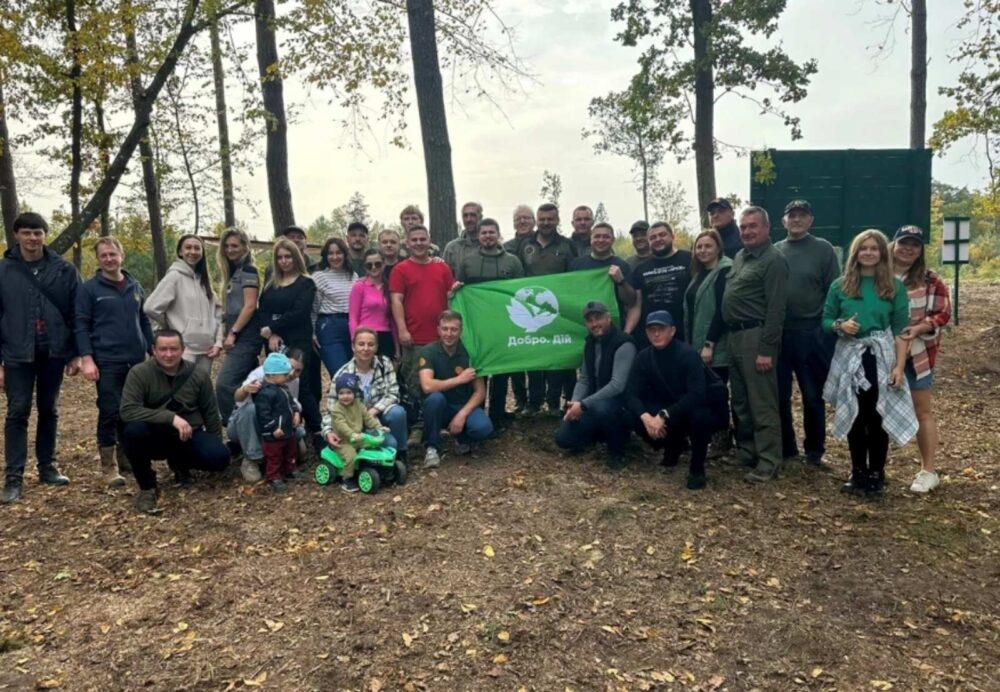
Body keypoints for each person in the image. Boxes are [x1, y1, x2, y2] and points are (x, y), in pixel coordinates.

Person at [822, 229, 916, 496]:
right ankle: (857, 471)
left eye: (874, 248)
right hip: (850, 354)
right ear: (856, 252)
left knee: (876, 415)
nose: (869, 253)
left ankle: (876, 472)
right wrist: (841, 325)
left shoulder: (893, 287)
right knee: (855, 414)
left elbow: (901, 329)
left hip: (880, 355)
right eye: (864, 248)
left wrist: (899, 367)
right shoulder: (840, 285)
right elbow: (826, 320)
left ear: (882, 253)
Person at [1, 212, 80, 504]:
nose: (32, 238)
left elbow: (76, 313)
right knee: (17, 411)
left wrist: (74, 353)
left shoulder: (63, 269)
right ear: (17, 235)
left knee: (49, 410)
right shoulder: (4, 270)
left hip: (53, 352)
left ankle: (47, 467)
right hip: (16, 355)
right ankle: (13, 479)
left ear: (45, 235)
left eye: (38, 233)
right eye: (27, 233)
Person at [120, 330, 230, 514]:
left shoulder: (198, 374)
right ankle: (147, 487)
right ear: (154, 350)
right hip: (154, 435)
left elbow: (210, 411)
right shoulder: (139, 373)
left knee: (219, 457)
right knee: (133, 431)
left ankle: (180, 463)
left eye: (173, 349)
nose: (168, 354)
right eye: (163, 349)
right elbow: (128, 410)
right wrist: (170, 418)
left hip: (188, 435)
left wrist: (215, 443)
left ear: (183, 350)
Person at [75, 236, 154, 488]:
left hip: (136, 359)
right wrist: (87, 359)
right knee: (109, 410)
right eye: (103, 255)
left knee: (130, 410)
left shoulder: (135, 286)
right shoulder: (89, 289)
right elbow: (80, 325)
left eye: (113, 254)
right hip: (107, 360)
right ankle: (109, 465)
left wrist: (152, 349)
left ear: (122, 256)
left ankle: (126, 455)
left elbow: (143, 321)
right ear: (98, 260)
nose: (109, 259)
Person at [721, 206, 789, 483]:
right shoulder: (740, 256)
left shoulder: (774, 260)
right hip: (734, 337)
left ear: (766, 229)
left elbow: (776, 310)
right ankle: (747, 452)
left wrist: (766, 350)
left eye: (753, 226)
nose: (747, 231)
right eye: (743, 226)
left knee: (762, 402)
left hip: (756, 337)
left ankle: (769, 460)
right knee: (739, 400)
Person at [624, 311, 729, 490]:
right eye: (652, 330)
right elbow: (630, 393)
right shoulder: (643, 357)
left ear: (672, 331)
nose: (656, 334)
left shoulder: (687, 354)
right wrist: (646, 417)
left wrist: (664, 415)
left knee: (700, 417)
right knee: (629, 415)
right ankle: (673, 445)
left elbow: (697, 395)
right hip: (664, 411)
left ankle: (697, 467)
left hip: (689, 409)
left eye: (661, 329)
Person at [775, 200, 840, 465]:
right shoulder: (775, 251)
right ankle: (787, 447)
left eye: (802, 215)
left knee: (812, 395)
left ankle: (815, 450)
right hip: (779, 334)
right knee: (780, 395)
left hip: (811, 333)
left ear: (810, 220)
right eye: (792, 216)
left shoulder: (823, 249)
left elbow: (834, 291)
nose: (797, 220)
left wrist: (828, 330)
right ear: (784, 221)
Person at [891, 225, 952, 494]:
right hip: (882, 353)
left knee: (922, 410)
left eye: (914, 244)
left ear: (920, 250)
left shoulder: (930, 279)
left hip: (918, 354)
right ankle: (871, 467)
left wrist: (919, 328)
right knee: (876, 410)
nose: (908, 248)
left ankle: (928, 470)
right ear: (894, 244)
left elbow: (942, 313)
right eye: (904, 242)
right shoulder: (878, 274)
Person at [452, 218, 525, 428]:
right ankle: (478, 412)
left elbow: (519, 291)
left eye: (492, 232)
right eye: (484, 233)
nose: (488, 236)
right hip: (477, 327)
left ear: (498, 234)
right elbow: (461, 289)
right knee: (479, 369)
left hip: (504, 324)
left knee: (501, 371)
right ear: (479, 236)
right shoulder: (467, 261)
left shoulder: (512, 261)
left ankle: (498, 413)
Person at [554, 301, 635, 469]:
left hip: (619, 403)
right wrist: (574, 403)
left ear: (608, 318)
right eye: (590, 320)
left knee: (602, 408)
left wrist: (583, 405)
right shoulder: (589, 343)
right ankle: (599, 433)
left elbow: (617, 385)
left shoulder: (624, 343)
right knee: (563, 439)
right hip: (592, 403)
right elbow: (584, 379)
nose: (594, 324)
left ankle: (617, 449)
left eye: (598, 318)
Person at [256, 238, 321, 449]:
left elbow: (299, 312)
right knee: (276, 384)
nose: (284, 261)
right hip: (275, 342)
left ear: (296, 257)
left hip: (298, 339)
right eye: (280, 257)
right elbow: (263, 309)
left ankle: (318, 431)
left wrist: (274, 327)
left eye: (288, 256)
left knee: (301, 386)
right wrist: (270, 333)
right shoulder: (271, 283)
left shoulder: (306, 283)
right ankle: (283, 432)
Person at [516, 203, 578, 415]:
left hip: (559, 310)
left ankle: (554, 403)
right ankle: (534, 403)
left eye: (550, 219)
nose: (546, 223)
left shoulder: (568, 246)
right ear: (537, 221)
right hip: (531, 309)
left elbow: (574, 278)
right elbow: (517, 276)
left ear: (557, 220)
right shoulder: (524, 244)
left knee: (559, 357)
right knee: (535, 355)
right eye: (542, 219)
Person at [390, 224, 456, 418]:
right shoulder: (400, 270)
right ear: (408, 243)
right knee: (415, 381)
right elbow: (396, 300)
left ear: (429, 241)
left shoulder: (442, 267)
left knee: (443, 379)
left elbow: (450, 296)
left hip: (443, 337)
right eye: (414, 240)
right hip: (414, 337)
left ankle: (442, 421)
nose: (419, 243)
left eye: (422, 239)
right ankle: (418, 423)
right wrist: (402, 330)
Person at [418, 310, 494, 467]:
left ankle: (462, 438)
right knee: (434, 398)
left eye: (454, 329)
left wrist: (462, 415)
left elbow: (480, 391)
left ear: (461, 331)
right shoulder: (428, 351)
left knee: (484, 429)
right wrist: (459, 380)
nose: (449, 333)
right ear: (438, 330)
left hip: (463, 405)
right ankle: (432, 447)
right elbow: (427, 386)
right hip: (441, 407)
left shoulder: (470, 353)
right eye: (445, 329)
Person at [684, 229, 733, 453]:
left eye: (708, 246)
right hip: (696, 342)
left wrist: (709, 343)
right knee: (703, 391)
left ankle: (722, 437)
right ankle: (708, 435)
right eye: (699, 246)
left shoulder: (724, 271)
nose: (703, 250)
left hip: (716, 345)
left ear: (718, 248)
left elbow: (723, 311)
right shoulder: (699, 273)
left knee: (717, 391)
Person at [145, 235, 223, 371]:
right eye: (188, 247)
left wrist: (218, 342)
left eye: (197, 248)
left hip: (207, 349)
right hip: (185, 349)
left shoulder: (204, 282)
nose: (192, 251)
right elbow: (150, 307)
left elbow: (218, 314)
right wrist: (170, 325)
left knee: (202, 389)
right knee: (182, 390)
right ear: (180, 252)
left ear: (202, 252)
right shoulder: (174, 276)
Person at [227, 348, 306, 483]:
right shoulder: (261, 375)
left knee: (300, 448)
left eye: (298, 371)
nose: (292, 373)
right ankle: (252, 457)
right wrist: (245, 389)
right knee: (252, 409)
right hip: (246, 423)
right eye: (291, 368)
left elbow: (290, 403)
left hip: (277, 423)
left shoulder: (292, 380)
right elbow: (238, 399)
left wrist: (296, 413)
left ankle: (284, 460)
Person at [332, 327, 408, 464]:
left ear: (376, 347)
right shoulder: (343, 375)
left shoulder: (384, 364)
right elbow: (332, 407)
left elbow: (393, 392)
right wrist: (327, 432)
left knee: (398, 412)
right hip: (357, 425)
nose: (366, 349)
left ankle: (402, 455)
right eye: (361, 344)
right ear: (353, 347)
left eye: (370, 344)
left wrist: (374, 411)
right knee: (390, 445)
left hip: (381, 414)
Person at [214, 228, 264, 425]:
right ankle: (255, 425)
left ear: (245, 247)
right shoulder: (233, 272)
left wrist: (233, 332)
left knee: (225, 384)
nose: (230, 249)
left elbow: (250, 305)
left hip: (246, 333)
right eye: (226, 246)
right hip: (234, 329)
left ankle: (232, 425)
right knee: (251, 383)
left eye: (235, 245)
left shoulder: (249, 270)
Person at [626, 221, 692, 349]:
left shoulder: (690, 259)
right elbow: (636, 305)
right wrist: (626, 333)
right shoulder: (640, 269)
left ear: (672, 236)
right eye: (653, 237)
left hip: (685, 332)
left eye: (662, 235)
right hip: (653, 334)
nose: (658, 239)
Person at [324, 372, 390, 492]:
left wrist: (379, 427)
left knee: (373, 446)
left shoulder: (358, 405)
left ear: (354, 393)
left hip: (358, 438)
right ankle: (347, 478)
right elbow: (341, 425)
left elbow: (368, 418)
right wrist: (351, 434)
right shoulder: (336, 409)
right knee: (351, 456)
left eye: (349, 392)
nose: (345, 396)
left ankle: (375, 468)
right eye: (341, 393)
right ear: (337, 394)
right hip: (343, 441)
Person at [501, 204, 536, 414]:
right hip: (511, 308)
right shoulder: (506, 247)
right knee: (515, 356)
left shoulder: (540, 244)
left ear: (533, 221)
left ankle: (535, 400)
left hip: (534, 305)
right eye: (518, 219)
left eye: (526, 218)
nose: (522, 222)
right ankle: (520, 399)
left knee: (534, 354)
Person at [254, 352, 303, 492]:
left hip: (288, 429)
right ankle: (274, 476)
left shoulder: (284, 388)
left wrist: (295, 413)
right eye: (285, 374)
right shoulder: (265, 393)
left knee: (290, 451)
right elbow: (263, 415)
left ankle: (291, 468)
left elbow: (291, 402)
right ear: (273, 375)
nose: (289, 376)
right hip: (274, 433)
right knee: (274, 455)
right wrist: (273, 428)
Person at [569, 222, 635, 325]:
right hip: (582, 325)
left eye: (606, 237)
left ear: (612, 240)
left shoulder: (622, 266)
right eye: (597, 237)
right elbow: (569, 295)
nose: (601, 240)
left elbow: (631, 301)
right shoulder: (576, 265)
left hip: (613, 326)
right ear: (591, 239)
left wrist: (621, 282)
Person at [312, 236, 358, 377]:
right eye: (330, 254)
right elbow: (313, 308)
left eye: (338, 253)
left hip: (352, 326)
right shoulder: (319, 277)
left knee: (356, 373)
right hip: (329, 327)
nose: (335, 257)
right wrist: (312, 333)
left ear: (345, 254)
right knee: (341, 375)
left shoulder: (353, 276)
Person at [349, 249, 397, 358]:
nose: (374, 267)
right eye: (369, 265)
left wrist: (396, 345)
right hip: (366, 337)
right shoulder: (359, 287)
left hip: (386, 338)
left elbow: (392, 319)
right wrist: (355, 341)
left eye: (378, 264)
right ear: (365, 267)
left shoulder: (389, 287)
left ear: (384, 264)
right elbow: (353, 317)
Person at [443, 201, 484, 273]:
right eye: (465, 216)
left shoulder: (490, 245)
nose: (469, 219)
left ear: (480, 217)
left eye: (473, 215)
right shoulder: (452, 248)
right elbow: (446, 276)